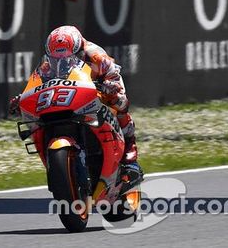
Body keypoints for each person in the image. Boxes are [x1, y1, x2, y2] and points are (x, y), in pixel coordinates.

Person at [11, 26, 143, 183]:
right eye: (55, 59)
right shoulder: (46, 64)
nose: (60, 62)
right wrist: (23, 99)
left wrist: (111, 85)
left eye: (66, 58)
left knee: (120, 104)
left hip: (98, 86)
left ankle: (130, 157)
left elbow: (113, 74)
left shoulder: (96, 55)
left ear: (79, 51)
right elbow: (35, 84)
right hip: (70, 96)